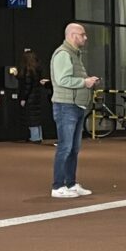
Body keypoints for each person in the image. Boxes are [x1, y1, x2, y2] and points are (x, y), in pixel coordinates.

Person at [49, 23, 100, 199]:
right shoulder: (63, 54)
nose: (85, 38)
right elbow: (62, 79)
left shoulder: (74, 54)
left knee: (73, 148)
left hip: (75, 105)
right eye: (82, 34)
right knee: (65, 147)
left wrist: (87, 81)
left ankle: (70, 183)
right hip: (66, 106)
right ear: (72, 35)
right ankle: (58, 186)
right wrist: (84, 82)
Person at [18, 49, 48, 143]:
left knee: (31, 117)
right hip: (38, 96)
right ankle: (39, 136)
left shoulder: (27, 70)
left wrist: (23, 98)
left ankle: (34, 138)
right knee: (37, 117)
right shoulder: (38, 69)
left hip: (31, 97)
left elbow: (27, 86)